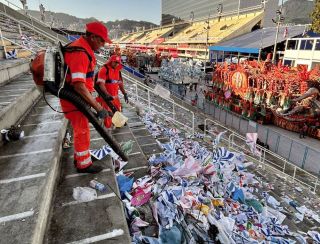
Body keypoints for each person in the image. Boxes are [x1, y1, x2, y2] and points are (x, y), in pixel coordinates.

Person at [60, 21, 112, 174]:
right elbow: (79, 86)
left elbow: (86, 79)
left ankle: (81, 157)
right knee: (82, 131)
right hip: (75, 100)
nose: (103, 44)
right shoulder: (80, 52)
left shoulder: (83, 48)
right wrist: (99, 108)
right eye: (101, 40)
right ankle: (83, 165)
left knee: (81, 130)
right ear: (93, 37)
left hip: (78, 99)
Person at [96, 54, 129, 128]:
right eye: (115, 62)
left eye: (118, 63)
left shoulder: (118, 71)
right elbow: (101, 84)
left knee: (117, 114)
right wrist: (107, 94)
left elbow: (120, 84)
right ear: (111, 61)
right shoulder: (104, 69)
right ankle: (107, 132)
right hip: (106, 99)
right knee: (107, 117)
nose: (116, 64)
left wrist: (125, 94)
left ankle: (116, 126)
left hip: (115, 99)